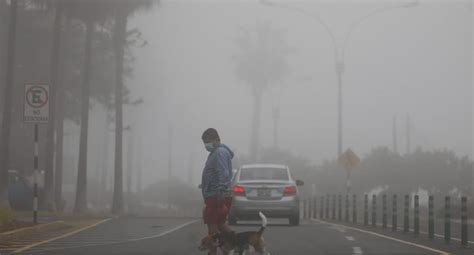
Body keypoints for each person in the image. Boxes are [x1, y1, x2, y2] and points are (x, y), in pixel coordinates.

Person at [201, 128, 234, 255]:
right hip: (217, 194)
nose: (206, 145)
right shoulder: (218, 152)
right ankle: (230, 247)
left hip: (216, 195)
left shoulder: (219, 152)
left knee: (212, 225)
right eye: (204, 142)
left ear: (216, 139)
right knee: (220, 223)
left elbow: (223, 173)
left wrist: (220, 191)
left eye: (207, 141)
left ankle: (213, 251)